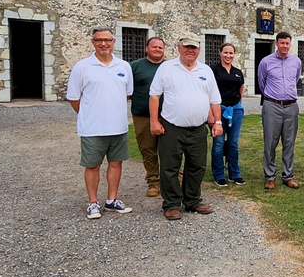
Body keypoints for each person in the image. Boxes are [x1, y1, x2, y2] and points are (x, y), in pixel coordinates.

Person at [148, 33, 222, 220]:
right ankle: (172, 204)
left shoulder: (206, 71)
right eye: (186, 47)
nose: (190, 50)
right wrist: (154, 121)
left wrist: (218, 122)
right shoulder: (167, 68)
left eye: (194, 47)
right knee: (170, 167)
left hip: (198, 128)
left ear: (199, 50)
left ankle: (192, 200)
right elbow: (155, 95)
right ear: (179, 47)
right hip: (172, 127)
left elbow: (214, 99)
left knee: (197, 166)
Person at [65, 27, 135, 220]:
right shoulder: (82, 67)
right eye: (99, 40)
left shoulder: (123, 66)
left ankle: (112, 200)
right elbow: (73, 98)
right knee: (92, 165)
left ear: (114, 42)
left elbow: (127, 94)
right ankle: (93, 202)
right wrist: (89, 113)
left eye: (107, 40)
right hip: (93, 127)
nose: (103, 44)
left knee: (115, 163)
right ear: (92, 42)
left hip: (118, 126)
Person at [257, 31, 302, 190]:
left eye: (287, 43)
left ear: (290, 44)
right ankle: (270, 176)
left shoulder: (296, 62)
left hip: (291, 106)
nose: (284, 46)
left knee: (289, 142)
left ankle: (287, 176)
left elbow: (296, 79)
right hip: (272, 105)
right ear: (277, 43)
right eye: (281, 43)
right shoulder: (265, 62)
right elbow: (261, 83)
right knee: (270, 142)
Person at [130, 36, 166, 197]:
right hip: (143, 115)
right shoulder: (135, 67)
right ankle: (153, 182)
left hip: (168, 116)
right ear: (146, 48)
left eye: (160, 47)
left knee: (171, 150)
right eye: (154, 47)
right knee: (148, 149)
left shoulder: (170, 67)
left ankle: (174, 179)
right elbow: (126, 90)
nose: (158, 50)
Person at [210, 42, 246, 187]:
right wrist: (211, 115)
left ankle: (234, 174)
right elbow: (209, 92)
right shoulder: (213, 70)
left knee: (234, 143)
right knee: (218, 143)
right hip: (219, 109)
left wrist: (239, 106)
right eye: (225, 52)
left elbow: (241, 90)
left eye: (231, 53)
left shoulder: (238, 71)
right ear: (220, 53)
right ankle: (219, 175)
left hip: (235, 110)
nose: (228, 56)